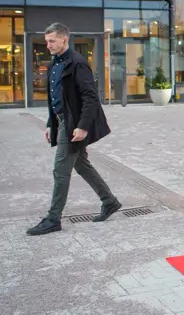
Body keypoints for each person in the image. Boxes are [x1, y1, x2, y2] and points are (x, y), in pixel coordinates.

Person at [26, 23, 121, 236]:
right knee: (82, 166)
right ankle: (110, 201)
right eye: (47, 41)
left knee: (61, 170)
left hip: (73, 126)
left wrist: (83, 127)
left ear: (64, 40)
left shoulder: (77, 63)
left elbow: (90, 97)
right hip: (62, 122)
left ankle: (53, 219)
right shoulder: (53, 64)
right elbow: (56, 98)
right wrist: (51, 124)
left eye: (52, 41)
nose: (47, 45)